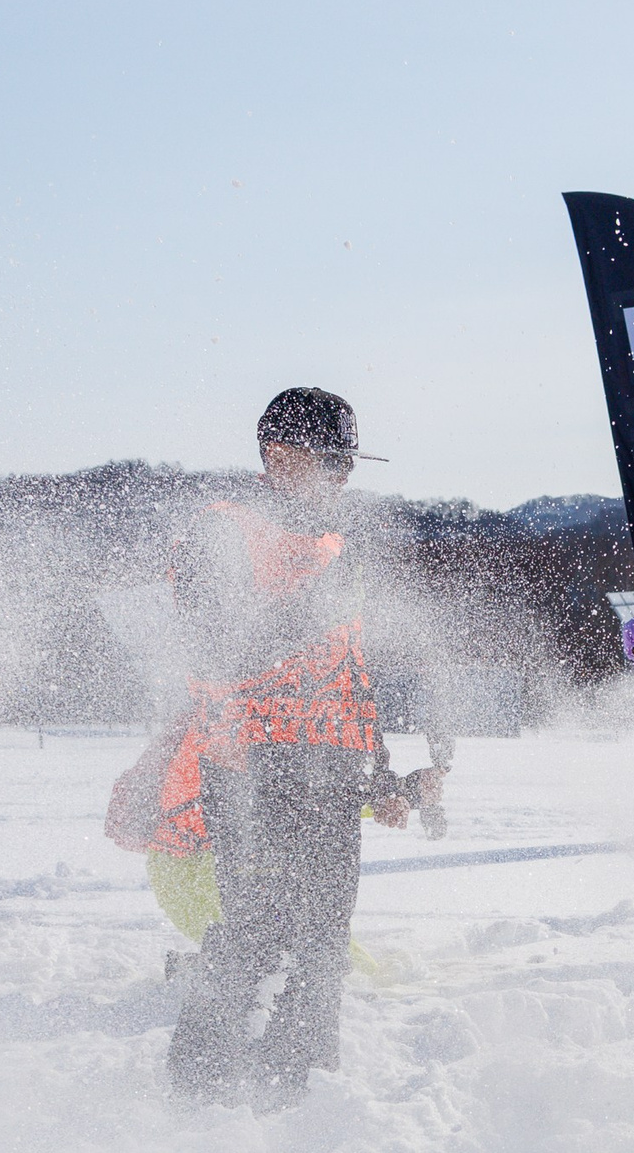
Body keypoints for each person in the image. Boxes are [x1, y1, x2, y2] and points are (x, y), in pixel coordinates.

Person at [160, 387, 436, 1105]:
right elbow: (213, 643)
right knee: (255, 934)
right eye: (332, 459)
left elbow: (348, 672)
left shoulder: (337, 546)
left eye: (349, 462)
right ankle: (198, 1090)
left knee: (322, 949)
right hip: (252, 767)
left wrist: (378, 774)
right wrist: (307, 609)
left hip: (332, 772)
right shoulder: (221, 530)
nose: (343, 476)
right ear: (279, 457)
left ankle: (301, 1094)